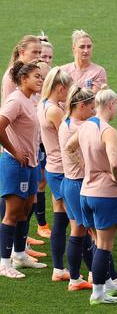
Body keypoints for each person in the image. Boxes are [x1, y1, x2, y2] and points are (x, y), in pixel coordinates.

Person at [64, 87, 117, 304]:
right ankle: (98, 293)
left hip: (86, 192)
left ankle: (107, 284)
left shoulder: (85, 126)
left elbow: (68, 147)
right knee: (104, 245)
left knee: (95, 239)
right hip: (105, 194)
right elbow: (116, 162)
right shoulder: (108, 130)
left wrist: (86, 166)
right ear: (111, 104)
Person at [0, 61, 46, 279]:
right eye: (36, 76)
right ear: (23, 79)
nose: (40, 79)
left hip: (31, 164)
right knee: (12, 214)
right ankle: (3, 262)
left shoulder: (31, 99)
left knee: (25, 210)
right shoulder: (16, 100)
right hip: (15, 164)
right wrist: (14, 151)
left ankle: (20, 254)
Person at [37, 68, 73, 281]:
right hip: (63, 169)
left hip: (52, 167)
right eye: (67, 90)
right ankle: (78, 271)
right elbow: (68, 140)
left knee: (60, 219)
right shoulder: (55, 111)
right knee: (77, 222)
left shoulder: (43, 105)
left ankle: (59, 268)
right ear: (60, 88)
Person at [59, 86, 96, 291]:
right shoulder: (78, 127)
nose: (92, 112)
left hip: (68, 182)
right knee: (84, 230)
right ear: (80, 106)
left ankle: (81, 276)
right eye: (90, 107)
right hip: (78, 183)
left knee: (80, 230)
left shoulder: (67, 122)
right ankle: (80, 278)